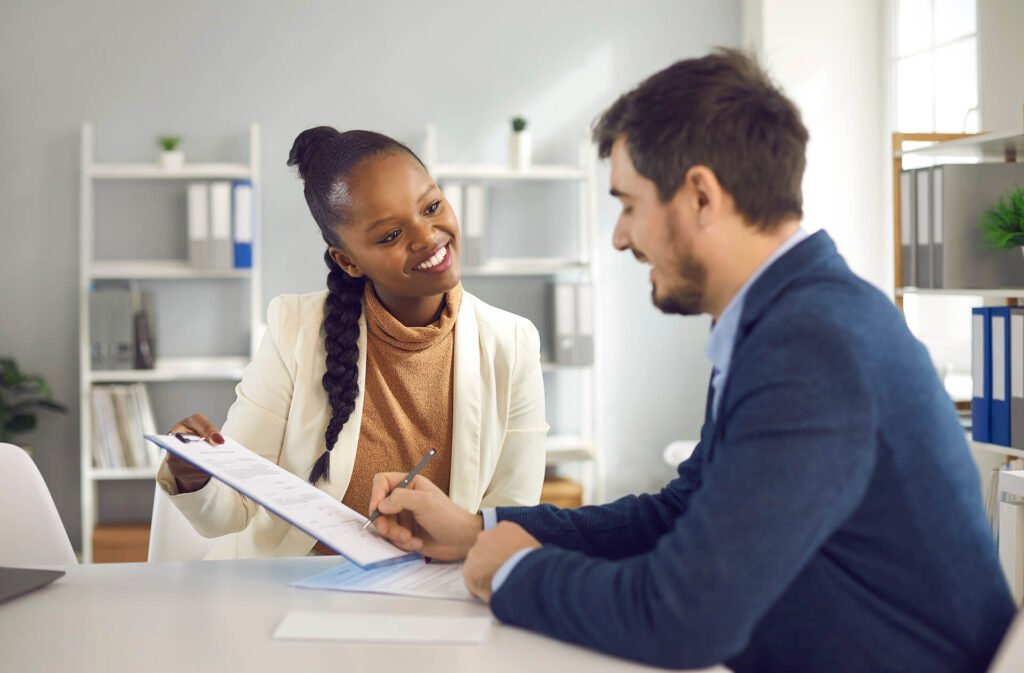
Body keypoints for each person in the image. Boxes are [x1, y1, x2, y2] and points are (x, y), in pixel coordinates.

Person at [365, 50, 1017, 672]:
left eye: (627, 204)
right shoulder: (785, 316)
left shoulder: (813, 343)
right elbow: (677, 512)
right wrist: (480, 527)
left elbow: (683, 613)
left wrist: (511, 571)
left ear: (701, 195)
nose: (620, 235)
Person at [157, 127, 548, 559]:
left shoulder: (512, 344)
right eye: (390, 235)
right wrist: (196, 475)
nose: (427, 236)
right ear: (347, 260)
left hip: (429, 595)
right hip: (293, 589)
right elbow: (233, 510)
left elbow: (508, 518)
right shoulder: (295, 328)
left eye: (432, 206)